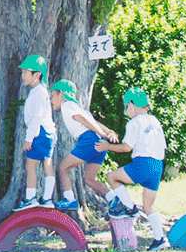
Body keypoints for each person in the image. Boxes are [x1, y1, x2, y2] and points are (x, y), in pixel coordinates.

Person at [98, 88, 171, 250]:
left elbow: (126, 147)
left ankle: (130, 208)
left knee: (112, 177)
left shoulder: (134, 123)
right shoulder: (154, 120)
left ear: (132, 105)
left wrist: (107, 146)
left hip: (143, 163)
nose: (126, 111)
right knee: (149, 206)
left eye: (126, 107)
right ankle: (160, 239)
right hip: (158, 165)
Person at [51, 80, 118, 211]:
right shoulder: (79, 107)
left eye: (53, 96)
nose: (51, 100)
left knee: (63, 167)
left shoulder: (67, 105)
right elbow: (95, 122)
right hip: (98, 145)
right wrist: (108, 131)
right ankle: (114, 199)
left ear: (62, 95)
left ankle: (69, 199)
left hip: (88, 140)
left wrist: (101, 133)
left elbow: (84, 120)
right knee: (89, 179)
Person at [16, 54, 57, 210]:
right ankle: (46, 199)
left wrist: (29, 138)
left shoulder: (39, 92)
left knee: (30, 165)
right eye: (23, 72)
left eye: (26, 72)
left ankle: (31, 197)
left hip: (40, 133)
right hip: (47, 133)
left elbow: (36, 117)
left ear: (37, 74)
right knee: (47, 164)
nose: (23, 76)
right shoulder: (38, 90)